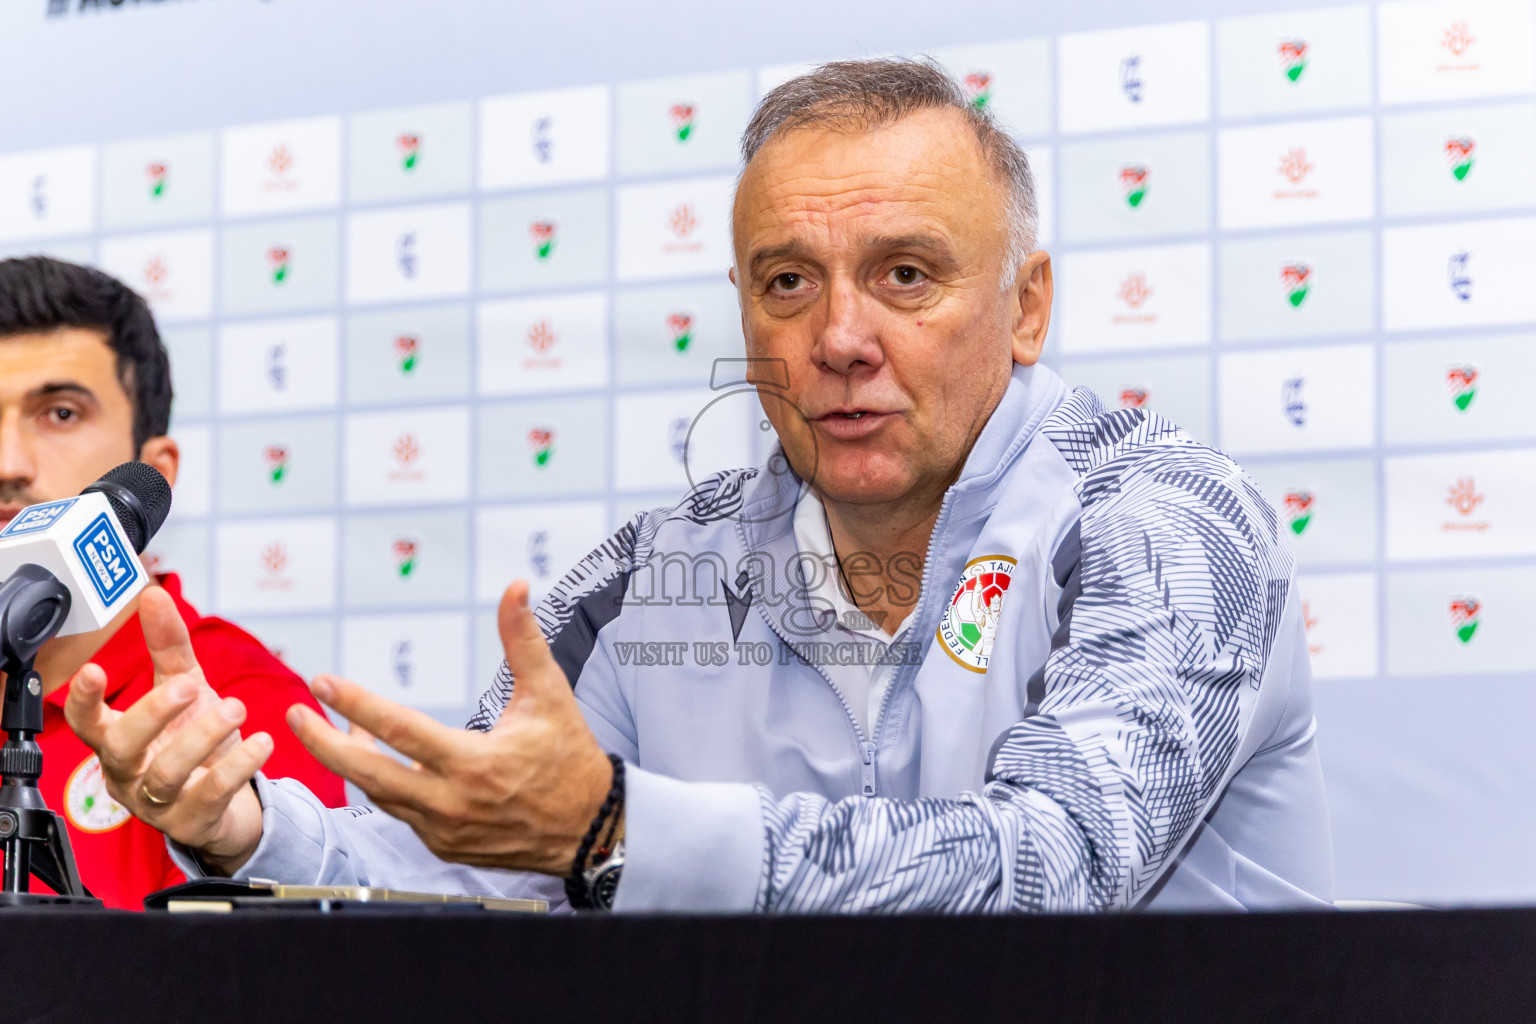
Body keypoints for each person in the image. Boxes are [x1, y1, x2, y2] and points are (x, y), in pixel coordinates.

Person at [68, 59, 1333, 913]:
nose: (840, 336)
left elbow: (1051, 868)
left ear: (1028, 306)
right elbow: (449, 879)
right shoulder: (648, 579)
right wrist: (243, 830)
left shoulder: (1167, 521)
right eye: (788, 281)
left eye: (905, 274)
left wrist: (619, 831)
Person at [0, 256, 345, 909]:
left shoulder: (237, 702)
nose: (7, 462)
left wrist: (230, 840)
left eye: (61, 413)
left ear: (151, 475)